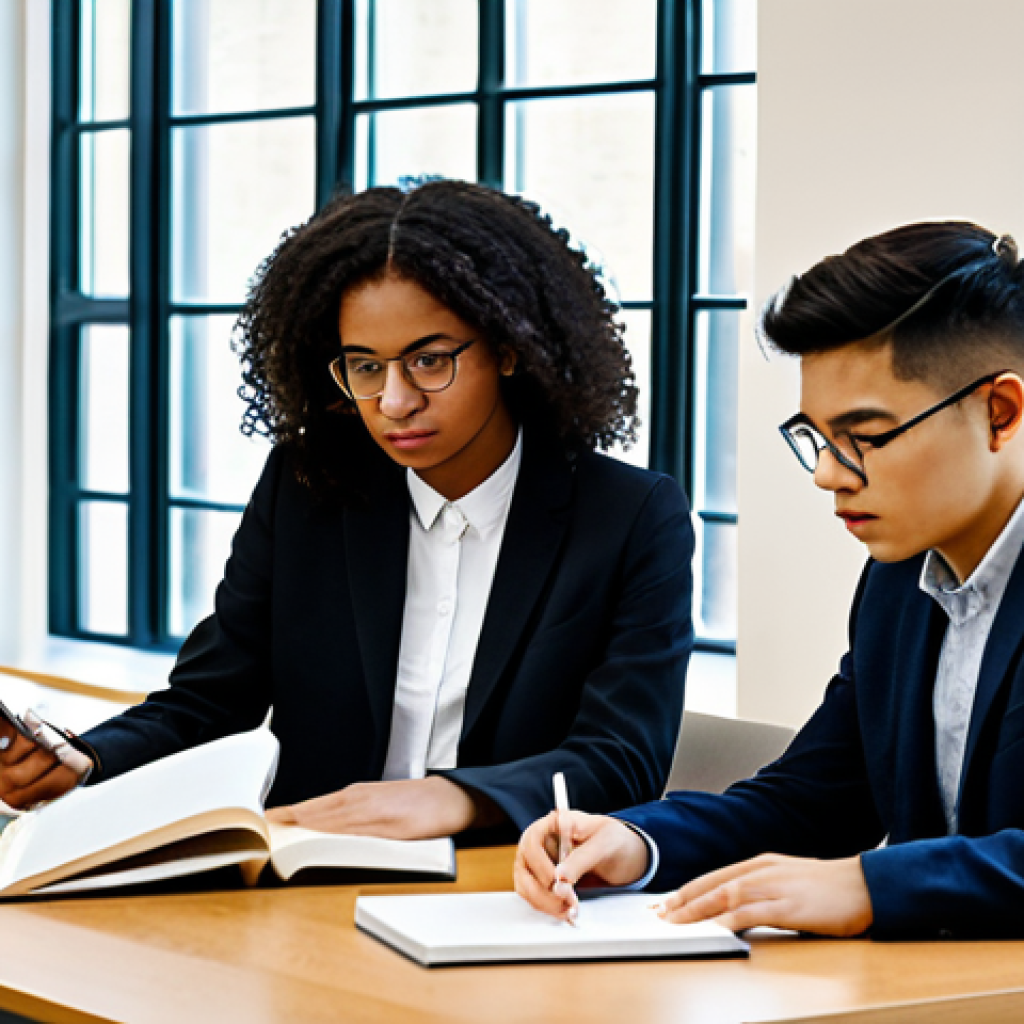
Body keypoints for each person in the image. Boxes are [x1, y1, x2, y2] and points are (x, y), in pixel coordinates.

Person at [0, 179, 694, 841]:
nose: (394, 401)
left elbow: (621, 757)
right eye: (365, 366)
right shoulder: (307, 490)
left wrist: (455, 797)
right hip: (308, 878)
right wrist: (86, 758)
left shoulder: (629, 518)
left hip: (513, 888)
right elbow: (209, 698)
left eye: (429, 361)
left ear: (511, 348)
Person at [516, 220, 1024, 938]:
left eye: (865, 437)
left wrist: (869, 884)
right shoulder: (897, 585)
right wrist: (635, 843)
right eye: (817, 438)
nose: (826, 474)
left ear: (999, 411)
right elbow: (813, 798)